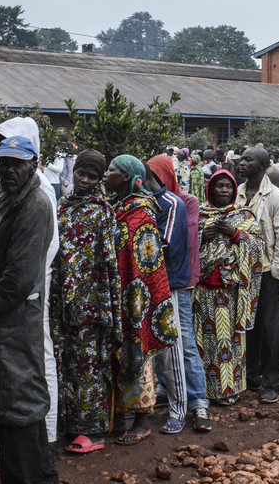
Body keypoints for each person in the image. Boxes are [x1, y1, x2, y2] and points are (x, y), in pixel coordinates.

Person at [0, 135, 59, 484]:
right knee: (25, 400)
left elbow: (19, 278)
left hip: (13, 318)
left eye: (16, 164)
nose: (8, 169)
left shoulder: (34, 204)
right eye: (4, 163)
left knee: (15, 404)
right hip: (13, 317)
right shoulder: (16, 198)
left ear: (33, 164)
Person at [103, 155, 178, 444]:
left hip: (137, 297)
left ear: (125, 178)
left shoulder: (142, 213)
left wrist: (136, 299)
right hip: (116, 294)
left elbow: (147, 263)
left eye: (111, 171)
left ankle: (142, 420)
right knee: (115, 356)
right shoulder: (115, 208)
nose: (105, 175)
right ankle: (118, 415)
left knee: (136, 353)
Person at [51, 150, 121, 453]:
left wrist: (109, 306)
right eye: (81, 174)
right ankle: (68, 424)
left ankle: (92, 430)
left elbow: (110, 264)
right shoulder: (61, 207)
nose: (85, 181)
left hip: (92, 302)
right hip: (61, 299)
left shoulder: (103, 211)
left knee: (89, 365)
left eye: (92, 177)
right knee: (64, 361)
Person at [148, 153, 210, 432]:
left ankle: (197, 400)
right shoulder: (152, 203)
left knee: (183, 342)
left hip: (180, 279)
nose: (150, 182)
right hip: (159, 280)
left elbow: (185, 244)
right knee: (160, 339)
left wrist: (188, 278)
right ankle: (166, 388)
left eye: (155, 176)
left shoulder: (185, 202)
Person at [193, 169, 262, 405]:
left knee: (227, 341)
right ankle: (201, 390)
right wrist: (202, 236)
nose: (224, 190)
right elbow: (184, 245)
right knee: (202, 341)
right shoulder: (200, 216)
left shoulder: (244, 216)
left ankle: (228, 391)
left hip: (230, 291)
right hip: (201, 291)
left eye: (228, 187)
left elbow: (257, 246)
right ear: (210, 189)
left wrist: (235, 234)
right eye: (219, 186)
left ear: (234, 190)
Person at [237, 147, 279, 404]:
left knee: (272, 329)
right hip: (244, 272)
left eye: (248, 160)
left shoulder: (276, 197)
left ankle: (273, 383)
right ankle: (251, 376)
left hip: (269, 272)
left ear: (261, 165)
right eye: (242, 159)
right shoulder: (238, 193)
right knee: (249, 327)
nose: (242, 163)